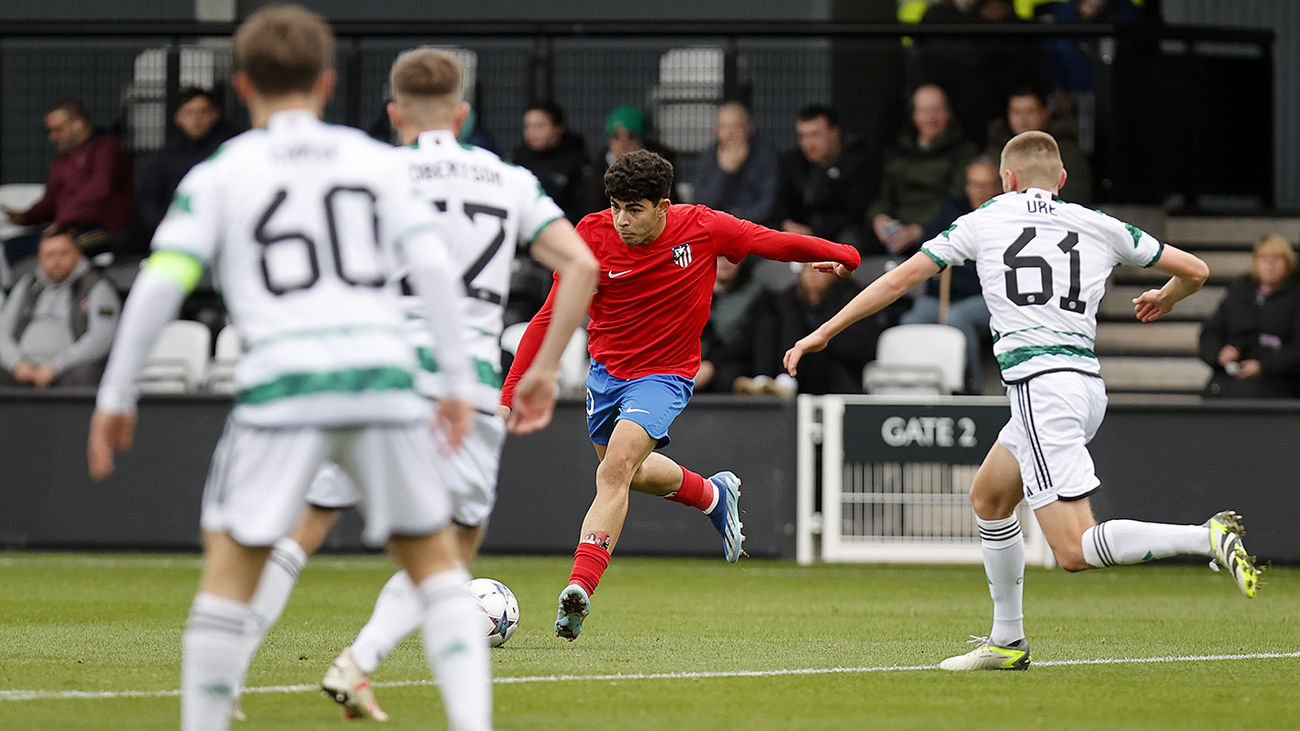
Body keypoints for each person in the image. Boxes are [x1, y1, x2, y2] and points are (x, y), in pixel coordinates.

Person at [85, 7, 493, 730]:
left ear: (242, 86)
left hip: (281, 390)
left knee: (229, 574)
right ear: (328, 83)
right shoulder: (372, 161)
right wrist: (459, 383)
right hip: (383, 381)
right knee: (437, 567)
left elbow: (160, 280)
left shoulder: (223, 171)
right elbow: (431, 265)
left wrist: (117, 392)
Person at [785, 130, 1260, 672]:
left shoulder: (985, 218)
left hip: (1041, 387)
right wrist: (1166, 296)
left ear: (1006, 179)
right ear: (1062, 179)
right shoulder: (1098, 222)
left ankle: (1205, 537)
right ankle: (1007, 640)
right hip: (1082, 386)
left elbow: (900, 279)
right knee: (990, 498)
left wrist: (823, 331)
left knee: (1074, 550)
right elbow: (1196, 270)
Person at [228, 47, 597, 722]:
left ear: (394, 113)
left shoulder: (370, 171)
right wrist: (544, 370)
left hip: (369, 375)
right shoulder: (508, 179)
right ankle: (370, 666)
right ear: (462, 113)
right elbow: (582, 267)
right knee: (449, 551)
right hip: (465, 385)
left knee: (303, 526)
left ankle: (234, 672)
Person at [504, 148, 861, 641]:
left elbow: (768, 240)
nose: (622, 221)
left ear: (663, 206)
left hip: (665, 374)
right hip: (606, 373)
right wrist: (509, 391)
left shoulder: (702, 227)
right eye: (616, 207)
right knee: (628, 472)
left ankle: (579, 588)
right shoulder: (590, 235)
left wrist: (841, 252)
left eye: (634, 210)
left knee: (613, 471)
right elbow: (548, 315)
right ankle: (712, 494)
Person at [897, 156, 1002, 393]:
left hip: (986, 299)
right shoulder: (953, 211)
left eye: (985, 185)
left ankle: (968, 391)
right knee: (912, 321)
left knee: (957, 318)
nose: (978, 191)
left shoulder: (1003, 216)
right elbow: (928, 249)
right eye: (973, 184)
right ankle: (912, 393)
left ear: (999, 187)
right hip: (943, 297)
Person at [2, 98, 135, 265]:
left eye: (58, 130)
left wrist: (64, 221)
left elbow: (100, 188)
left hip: (105, 231)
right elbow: (50, 201)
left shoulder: (107, 147)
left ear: (78, 124)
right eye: (50, 131)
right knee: (13, 246)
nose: (53, 137)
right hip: (66, 229)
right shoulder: (63, 160)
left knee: (52, 247)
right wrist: (25, 217)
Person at [868, 84, 977, 256]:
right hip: (895, 231)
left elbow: (956, 201)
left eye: (937, 110)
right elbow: (884, 195)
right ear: (914, 115)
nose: (931, 118)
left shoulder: (963, 152)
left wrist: (918, 230)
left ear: (948, 113)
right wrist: (878, 217)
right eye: (924, 111)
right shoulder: (898, 150)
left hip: (937, 232)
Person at [0, 232, 119, 387]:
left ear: (78, 254)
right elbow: (2, 331)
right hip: (22, 368)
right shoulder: (28, 285)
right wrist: (17, 364)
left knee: (85, 374)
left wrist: (55, 367)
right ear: (39, 258)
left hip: (69, 368)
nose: (56, 260)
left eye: (63, 253)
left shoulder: (96, 286)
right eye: (49, 255)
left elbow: (101, 338)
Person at [753, 262, 882, 395]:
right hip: (799, 372)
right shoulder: (787, 300)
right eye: (807, 268)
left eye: (820, 269)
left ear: (833, 272)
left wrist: (822, 329)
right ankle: (768, 381)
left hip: (837, 373)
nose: (813, 274)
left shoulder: (852, 297)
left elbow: (859, 346)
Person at [1199, 233, 1300, 398]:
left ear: (1288, 263)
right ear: (1255, 262)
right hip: (1231, 375)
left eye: (1277, 258)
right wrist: (1220, 354)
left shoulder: (1295, 296)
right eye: (1264, 258)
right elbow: (1211, 332)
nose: (1270, 265)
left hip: (1280, 380)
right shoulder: (1240, 292)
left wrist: (1263, 366)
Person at [136, 87, 236, 242]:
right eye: (189, 113)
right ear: (178, 118)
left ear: (215, 115)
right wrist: (162, 225)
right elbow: (149, 199)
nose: (196, 119)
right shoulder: (166, 156)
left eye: (203, 112)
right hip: (173, 231)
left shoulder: (230, 151)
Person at [775, 104, 876, 252]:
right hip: (800, 233)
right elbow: (781, 201)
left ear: (834, 133)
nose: (808, 143)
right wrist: (787, 223)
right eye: (802, 136)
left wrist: (814, 232)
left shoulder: (858, 163)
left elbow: (856, 212)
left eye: (814, 135)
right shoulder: (793, 162)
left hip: (838, 235)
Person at [987, 86, 1093, 205]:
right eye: (1016, 112)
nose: (1023, 119)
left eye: (1030, 111)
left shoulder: (1067, 154)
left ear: (1045, 113)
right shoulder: (995, 152)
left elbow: (1075, 197)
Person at [690, 101, 780, 226]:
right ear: (717, 130)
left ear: (749, 128)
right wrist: (724, 171)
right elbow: (700, 203)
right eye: (724, 127)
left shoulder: (765, 155)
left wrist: (737, 223)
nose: (730, 133)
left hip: (754, 227)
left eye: (736, 126)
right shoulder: (709, 155)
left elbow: (769, 203)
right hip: (717, 227)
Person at [695, 255, 771, 393]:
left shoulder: (755, 295)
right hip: (691, 362)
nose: (725, 263)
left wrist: (712, 365)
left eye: (731, 256)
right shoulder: (691, 290)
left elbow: (747, 341)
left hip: (731, 365)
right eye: (720, 256)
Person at [512, 100, 590, 224]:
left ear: (558, 128)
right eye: (527, 126)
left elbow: (581, 207)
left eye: (539, 126)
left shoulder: (576, 161)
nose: (531, 132)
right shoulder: (519, 158)